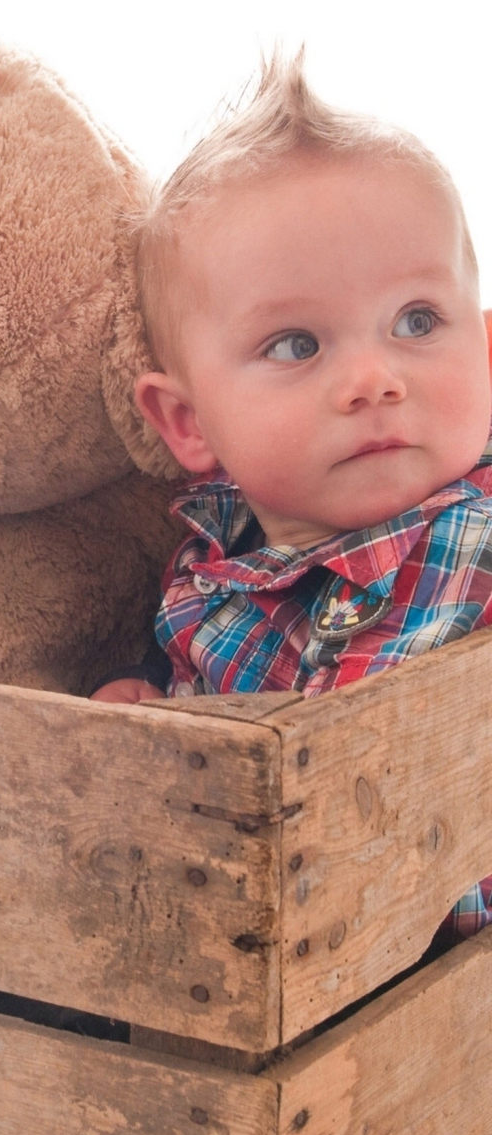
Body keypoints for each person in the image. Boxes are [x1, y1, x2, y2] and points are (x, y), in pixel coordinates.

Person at [92, 55, 492, 941]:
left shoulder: (478, 531)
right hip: (261, 947)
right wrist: (154, 720)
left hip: (436, 958)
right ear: (189, 422)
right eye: (296, 344)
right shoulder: (209, 565)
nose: (373, 378)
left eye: (418, 321)